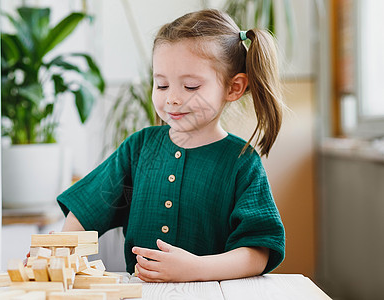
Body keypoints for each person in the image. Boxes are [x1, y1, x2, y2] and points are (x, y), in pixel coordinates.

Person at [57, 9, 285, 282]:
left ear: (233, 88)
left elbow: (258, 252)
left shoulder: (241, 162)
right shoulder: (139, 148)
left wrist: (196, 269)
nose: (173, 98)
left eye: (190, 87)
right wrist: (58, 250)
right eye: (162, 85)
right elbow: (88, 208)